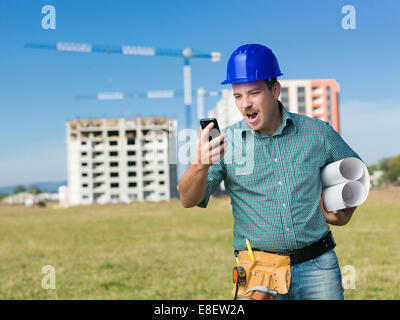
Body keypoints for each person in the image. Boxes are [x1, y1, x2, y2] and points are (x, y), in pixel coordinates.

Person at [178, 43, 362, 300]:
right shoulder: (225, 144)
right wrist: (199, 164)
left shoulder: (318, 133)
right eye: (238, 96)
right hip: (257, 274)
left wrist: (346, 210)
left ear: (275, 90)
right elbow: (188, 200)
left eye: (253, 93)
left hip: (318, 267)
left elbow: (356, 173)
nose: (246, 104)